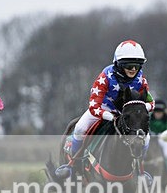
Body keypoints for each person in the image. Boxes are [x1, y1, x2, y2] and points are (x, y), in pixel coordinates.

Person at [54, 39, 154, 179]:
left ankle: (139, 171)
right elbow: (93, 106)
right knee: (81, 128)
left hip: (125, 114)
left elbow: (150, 102)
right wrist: (110, 116)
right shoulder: (105, 77)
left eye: (137, 65)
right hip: (103, 110)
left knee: (146, 137)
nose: (133, 69)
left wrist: (143, 107)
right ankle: (73, 166)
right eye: (129, 65)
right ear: (119, 65)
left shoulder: (140, 79)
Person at [149, 100, 167, 175]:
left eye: (160, 112)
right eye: (156, 112)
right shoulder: (149, 117)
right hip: (151, 139)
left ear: (164, 112)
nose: (158, 114)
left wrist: (161, 135)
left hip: (164, 139)